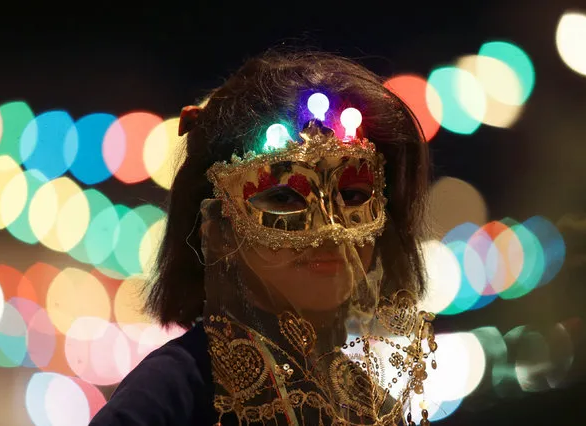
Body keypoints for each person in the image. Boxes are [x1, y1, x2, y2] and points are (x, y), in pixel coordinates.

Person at [90, 49, 437, 426]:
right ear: (218, 229)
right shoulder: (169, 394)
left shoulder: (367, 403)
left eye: (352, 194)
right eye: (284, 198)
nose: (331, 230)